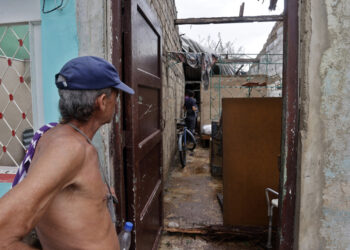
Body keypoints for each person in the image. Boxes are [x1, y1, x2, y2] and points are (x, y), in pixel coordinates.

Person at [0, 56, 134, 250]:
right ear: (102, 102)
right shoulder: (69, 148)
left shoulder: (59, 137)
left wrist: (99, 194)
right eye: (116, 96)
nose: (117, 103)